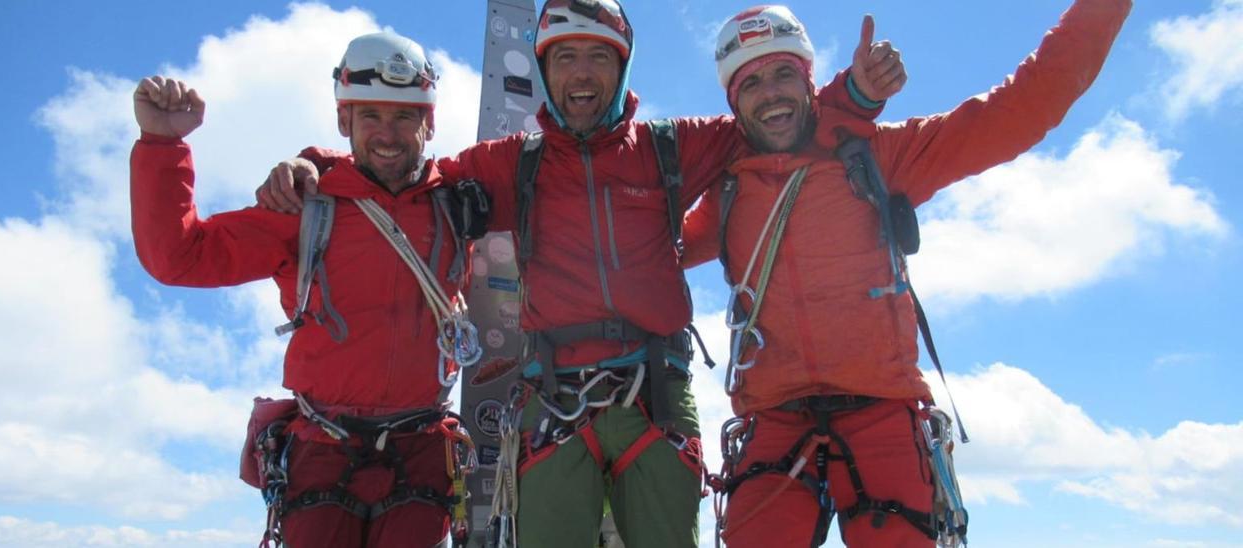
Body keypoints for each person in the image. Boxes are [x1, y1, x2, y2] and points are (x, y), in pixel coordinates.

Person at [258, 2, 904, 546]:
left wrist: (852, 96)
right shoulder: (509, 162)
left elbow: (776, 118)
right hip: (554, 395)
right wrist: (313, 163)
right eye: (564, 57)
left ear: (622, 68)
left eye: (598, 56)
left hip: (655, 385)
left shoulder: (671, 146)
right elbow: (403, 174)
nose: (582, 73)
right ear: (543, 72)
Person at [680, 2, 1132, 547]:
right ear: (733, 102)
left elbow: (1025, 107)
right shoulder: (727, 192)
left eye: (783, 74)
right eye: (750, 82)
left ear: (808, 81)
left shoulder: (878, 155)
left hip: (883, 414)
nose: (770, 93)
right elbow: (635, 248)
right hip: (775, 423)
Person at [130, 30, 487, 547]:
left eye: (404, 116)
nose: (387, 133)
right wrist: (163, 144)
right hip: (323, 449)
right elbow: (179, 258)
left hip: (421, 449)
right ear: (344, 120)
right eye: (370, 116)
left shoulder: (456, 205)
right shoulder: (305, 207)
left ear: (428, 123)